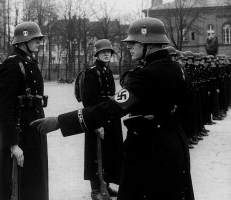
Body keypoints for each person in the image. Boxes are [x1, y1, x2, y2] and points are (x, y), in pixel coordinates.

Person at [31, 17, 195, 200]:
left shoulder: (148, 74)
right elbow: (187, 112)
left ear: (147, 43)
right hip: (175, 147)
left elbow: (113, 107)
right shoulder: (179, 70)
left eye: (133, 43)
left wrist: (61, 121)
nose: (129, 46)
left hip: (150, 151)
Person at [0, 21, 49, 200]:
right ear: (22, 40)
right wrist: (12, 143)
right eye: (35, 39)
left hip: (34, 131)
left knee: (35, 183)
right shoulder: (12, 64)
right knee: (17, 187)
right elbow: (4, 107)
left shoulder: (29, 62)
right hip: (19, 133)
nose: (39, 42)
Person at [81, 39, 123, 199]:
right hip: (96, 118)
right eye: (103, 52)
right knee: (95, 154)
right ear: (97, 54)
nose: (107, 54)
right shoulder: (92, 71)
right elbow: (88, 101)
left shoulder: (107, 70)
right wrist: (97, 123)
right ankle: (95, 190)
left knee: (108, 152)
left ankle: (105, 184)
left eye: (109, 52)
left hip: (109, 117)